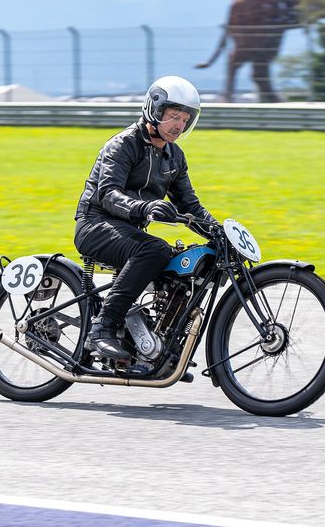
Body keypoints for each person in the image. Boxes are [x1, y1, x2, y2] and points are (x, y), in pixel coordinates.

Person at [74, 76, 218, 361]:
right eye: (173, 116)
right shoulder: (123, 144)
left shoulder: (174, 157)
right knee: (155, 249)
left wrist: (219, 232)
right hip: (95, 224)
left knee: (184, 266)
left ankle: (160, 347)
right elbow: (108, 194)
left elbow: (190, 205)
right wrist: (145, 208)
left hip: (128, 231)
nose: (179, 125)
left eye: (185, 119)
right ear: (155, 110)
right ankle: (101, 329)